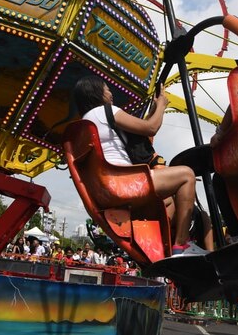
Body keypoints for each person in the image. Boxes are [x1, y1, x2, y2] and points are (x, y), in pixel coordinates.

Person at [72, 76, 202, 257]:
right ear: (97, 92)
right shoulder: (106, 111)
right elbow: (150, 128)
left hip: (102, 190)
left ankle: (160, 250)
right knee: (187, 175)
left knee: (169, 201)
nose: (111, 94)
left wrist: (155, 109)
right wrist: (163, 105)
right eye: (107, 89)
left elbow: (140, 133)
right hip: (124, 182)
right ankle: (181, 244)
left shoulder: (85, 123)